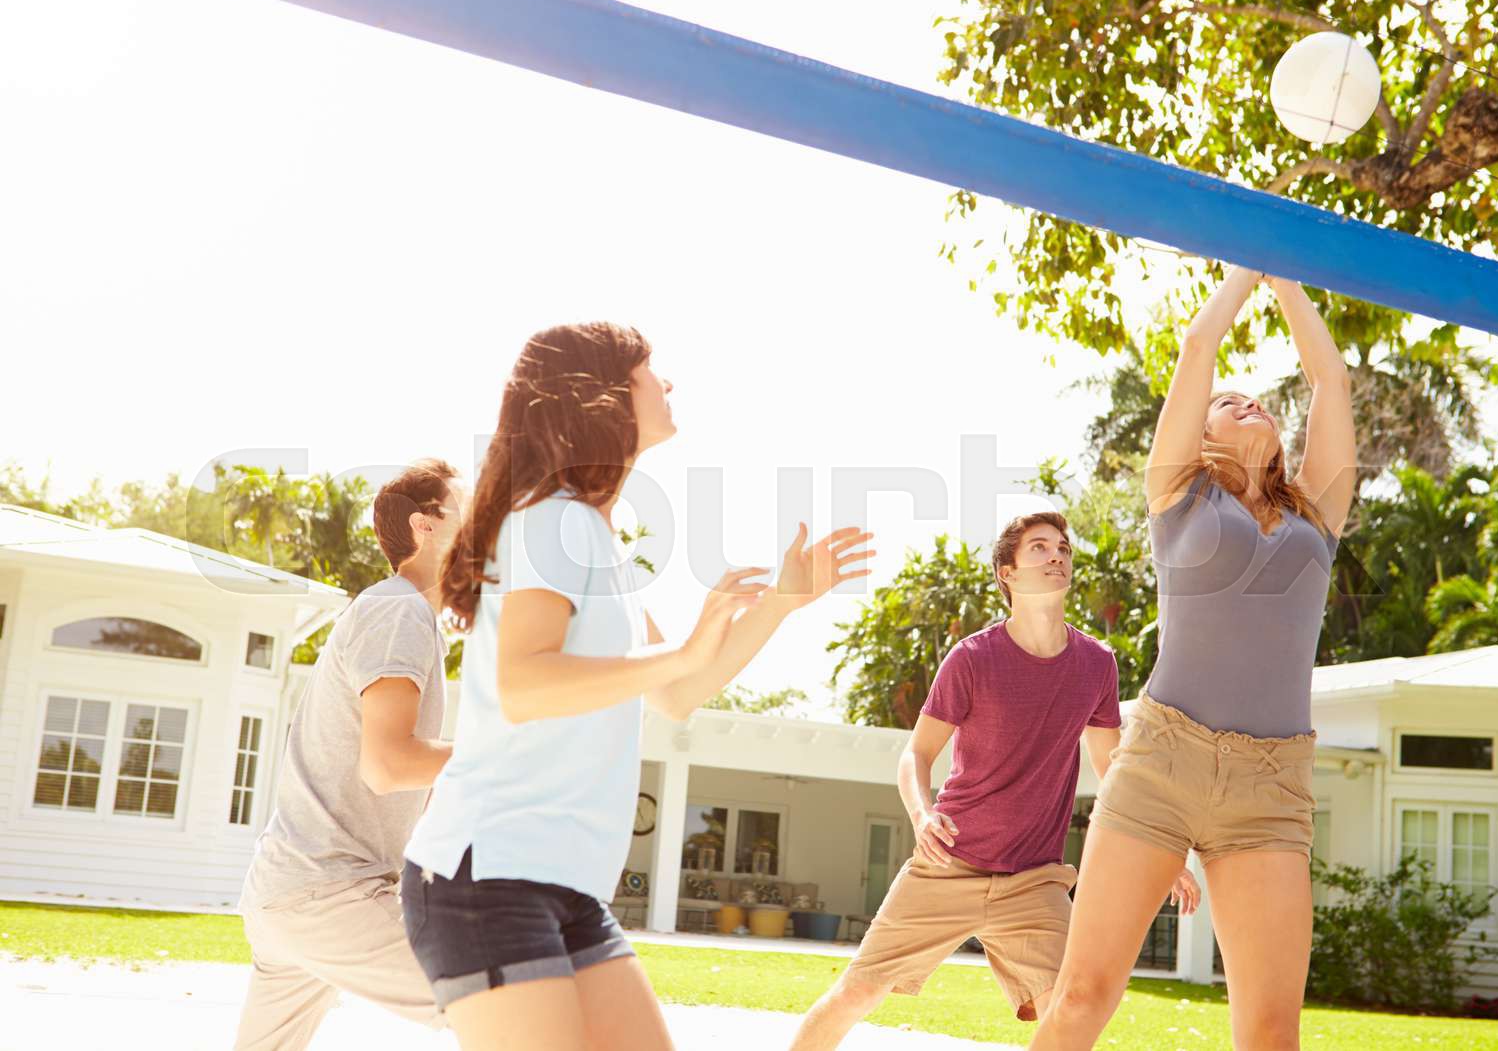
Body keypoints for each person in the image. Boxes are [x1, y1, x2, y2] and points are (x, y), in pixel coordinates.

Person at [400, 322, 874, 1051]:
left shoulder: (596, 538)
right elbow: (525, 683)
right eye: (653, 371)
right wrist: (678, 654)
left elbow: (679, 692)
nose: (670, 384)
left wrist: (784, 600)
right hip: (488, 876)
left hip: (563, 884)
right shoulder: (549, 521)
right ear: (605, 396)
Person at [1030, 269, 1357, 1051]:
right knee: (1082, 996)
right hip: (1162, 765)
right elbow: (1199, 344)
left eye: (1257, 399)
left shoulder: (1317, 512)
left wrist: (1288, 274)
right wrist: (1246, 261)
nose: (1250, 402)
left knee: (1272, 1030)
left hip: (1272, 785)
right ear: (1199, 435)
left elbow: (1330, 381)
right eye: (1227, 401)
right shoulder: (1179, 495)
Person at [789, 511, 1200, 1051]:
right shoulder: (973, 658)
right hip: (948, 865)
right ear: (1006, 572)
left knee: (1070, 1009)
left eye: (1062, 548)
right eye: (1039, 548)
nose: (1056, 555)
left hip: (1034, 881)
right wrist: (921, 814)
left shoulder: (1096, 664)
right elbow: (918, 752)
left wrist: (1161, 853)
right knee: (857, 992)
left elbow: (1113, 770)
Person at [234, 459, 466, 1051]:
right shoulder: (398, 610)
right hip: (326, 894)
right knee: (504, 1007)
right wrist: (510, 760)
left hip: (291, 892)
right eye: (472, 508)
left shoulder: (408, 617)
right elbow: (389, 765)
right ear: (427, 526)